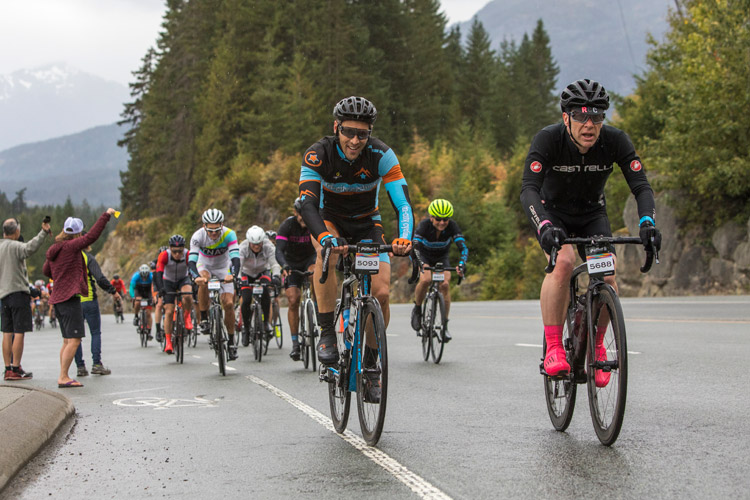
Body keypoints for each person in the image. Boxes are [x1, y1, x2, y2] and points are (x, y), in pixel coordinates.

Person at [520, 79, 662, 381]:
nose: (589, 124)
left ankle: (597, 345)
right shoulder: (547, 140)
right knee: (564, 262)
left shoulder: (615, 141)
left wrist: (647, 222)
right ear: (566, 118)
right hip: (553, 215)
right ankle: (555, 347)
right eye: (581, 116)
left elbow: (641, 186)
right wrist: (543, 224)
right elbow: (529, 189)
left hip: (592, 214)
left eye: (597, 116)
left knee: (607, 276)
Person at [297, 95, 414, 374]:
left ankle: (371, 361)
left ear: (369, 134)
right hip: (330, 221)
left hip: (366, 224)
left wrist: (405, 237)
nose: (354, 140)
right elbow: (308, 204)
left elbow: (403, 204)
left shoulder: (381, 155)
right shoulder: (318, 154)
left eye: (362, 134)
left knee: (382, 293)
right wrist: (325, 237)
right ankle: (327, 332)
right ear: (336, 127)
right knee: (326, 253)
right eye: (348, 132)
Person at [43, 209, 117, 388]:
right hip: (69, 298)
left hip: (58, 298)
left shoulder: (56, 249)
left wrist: (62, 271)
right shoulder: (71, 246)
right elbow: (91, 237)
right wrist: (106, 215)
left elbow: (46, 271)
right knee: (75, 340)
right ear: (76, 233)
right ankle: (63, 377)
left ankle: (64, 374)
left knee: (67, 340)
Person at [410, 199, 468, 342]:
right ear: (431, 218)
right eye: (438, 219)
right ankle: (417, 309)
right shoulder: (424, 226)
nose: (442, 222)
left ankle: (444, 326)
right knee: (426, 280)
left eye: (445, 219)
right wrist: (419, 264)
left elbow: (463, 248)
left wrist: (461, 264)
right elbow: (414, 246)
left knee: (445, 285)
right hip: (424, 256)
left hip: (442, 257)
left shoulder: (452, 226)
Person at [1, 216, 50, 380]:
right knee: (19, 331)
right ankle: (15, 368)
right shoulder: (16, 246)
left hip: (3, 296)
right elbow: (31, 247)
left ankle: (7, 368)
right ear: (16, 232)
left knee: (7, 332)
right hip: (18, 294)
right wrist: (43, 232)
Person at [188, 208, 241, 360]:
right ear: (204, 226)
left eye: (216, 230)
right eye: (210, 230)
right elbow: (192, 261)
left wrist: (234, 275)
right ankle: (204, 317)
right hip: (204, 265)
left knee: (229, 304)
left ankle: (231, 342)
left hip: (224, 267)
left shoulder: (229, 234)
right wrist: (195, 277)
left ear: (222, 225)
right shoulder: (198, 236)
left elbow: (236, 258)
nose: (213, 234)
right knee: (203, 280)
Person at [276, 197, 317, 361]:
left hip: (310, 259)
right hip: (291, 262)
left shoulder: (315, 223)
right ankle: (295, 343)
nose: (303, 218)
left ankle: (316, 308)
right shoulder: (287, 226)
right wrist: (284, 266)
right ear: (295, 213)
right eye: (300, 214)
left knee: (315, 273)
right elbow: (279, 251)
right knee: (293, 300)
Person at [74, 239, 119, 376]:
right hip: (89, 300)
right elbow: (99, 278)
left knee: (76, 337)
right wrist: (113, 291)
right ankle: (97, 364)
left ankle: (80, 367)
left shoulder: (68, 258)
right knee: (95, 333)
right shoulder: (88, 258)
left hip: (73, 302)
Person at [238, 225, 281, 346]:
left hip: (263, 271)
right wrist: (238, 278)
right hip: (247, 272)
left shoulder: (269, 246)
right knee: (246, 300)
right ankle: (246, 329)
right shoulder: (243, 247)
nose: (256, 247)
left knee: (266, 292)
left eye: (259, 244)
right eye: (253, 244)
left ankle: (266, 322)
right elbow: (238, 265)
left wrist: (277, 276)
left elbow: (274, 264)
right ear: (249, 242)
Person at [154, 234, 194, 355]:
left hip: (183, 279)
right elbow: (158, 273)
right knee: (169, 311)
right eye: (175, 251)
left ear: (184, 248)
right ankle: (168, 341)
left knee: (188, 295)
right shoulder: (164, 255)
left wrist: (195, 284)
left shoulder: (188, 254)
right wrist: (161, 289)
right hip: (168, 281)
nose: (177, 254)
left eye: (180, 251)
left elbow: (193, 269)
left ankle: (187, 316)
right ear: (170, 248)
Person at [130, 264, 154, 339]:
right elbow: (131, 287)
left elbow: (154, 287)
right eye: (142, 276)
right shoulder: (136, 276)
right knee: (137, 302)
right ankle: (136, 316)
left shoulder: (151, 276)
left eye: (145, 276)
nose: (144, 278)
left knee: (148, 313)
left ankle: (149, 332)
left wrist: (153, 297)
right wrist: (133, 296)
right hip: (139, 290)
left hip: (148, 291)